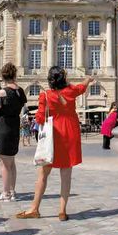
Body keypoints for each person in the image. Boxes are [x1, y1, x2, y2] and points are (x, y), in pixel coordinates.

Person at [16, 66, 93, 222]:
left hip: (53, 135)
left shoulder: (45, 95)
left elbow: (39, 118)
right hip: (70, 133)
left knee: (43, 174)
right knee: (66, 174)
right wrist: (88, 79)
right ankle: (62, 211)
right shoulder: (71, 91)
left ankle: (34, 208)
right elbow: (82, 87)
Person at [0, 62, 27, 202]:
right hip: (14, 127)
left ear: (3, 76)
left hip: (3, 128)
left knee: (4, 163)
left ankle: (5, 193)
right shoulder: (20, 91)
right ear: (14, 75)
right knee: (11, 162)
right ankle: (12, 191)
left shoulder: (3, 92)